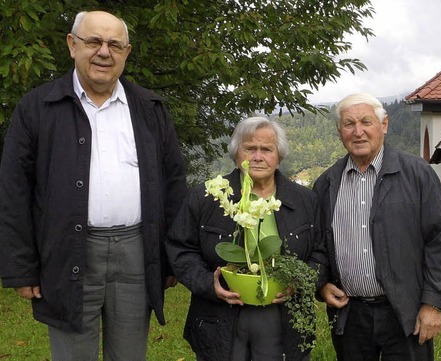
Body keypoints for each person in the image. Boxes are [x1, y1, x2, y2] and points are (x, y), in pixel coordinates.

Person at [0, 11, 187, 361]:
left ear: (126, 53)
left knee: (130, 354)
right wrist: (21, 266)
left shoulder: (150, 109)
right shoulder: (37, 108)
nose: (104, 52)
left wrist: (171, 258)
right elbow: (14, 191)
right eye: (94, 42)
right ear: (72, 46)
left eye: (114, 44)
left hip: (136, 252)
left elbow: (174, 184)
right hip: (66, 250)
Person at [312, 93, 441, 361]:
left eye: (366, 122)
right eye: (349, 124)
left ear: (384, 125)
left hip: (406, 312)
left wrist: (433, 304)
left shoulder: (417, 174)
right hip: (350, 315)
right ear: (339, 131)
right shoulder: (327, 183)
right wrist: (321, 284)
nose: (358, 132)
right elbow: (319, 244)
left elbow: (439, 240)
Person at [166, 116, 319, 361]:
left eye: (267, 149)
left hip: (282, 316)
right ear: (237, 153)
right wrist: (209, 284)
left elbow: (320, 253)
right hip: (219, 317)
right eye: (250, 148)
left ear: (279, 156)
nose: (258, 157)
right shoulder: (208, 197)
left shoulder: (305, 201)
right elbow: (180, 248)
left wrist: (298, 283)